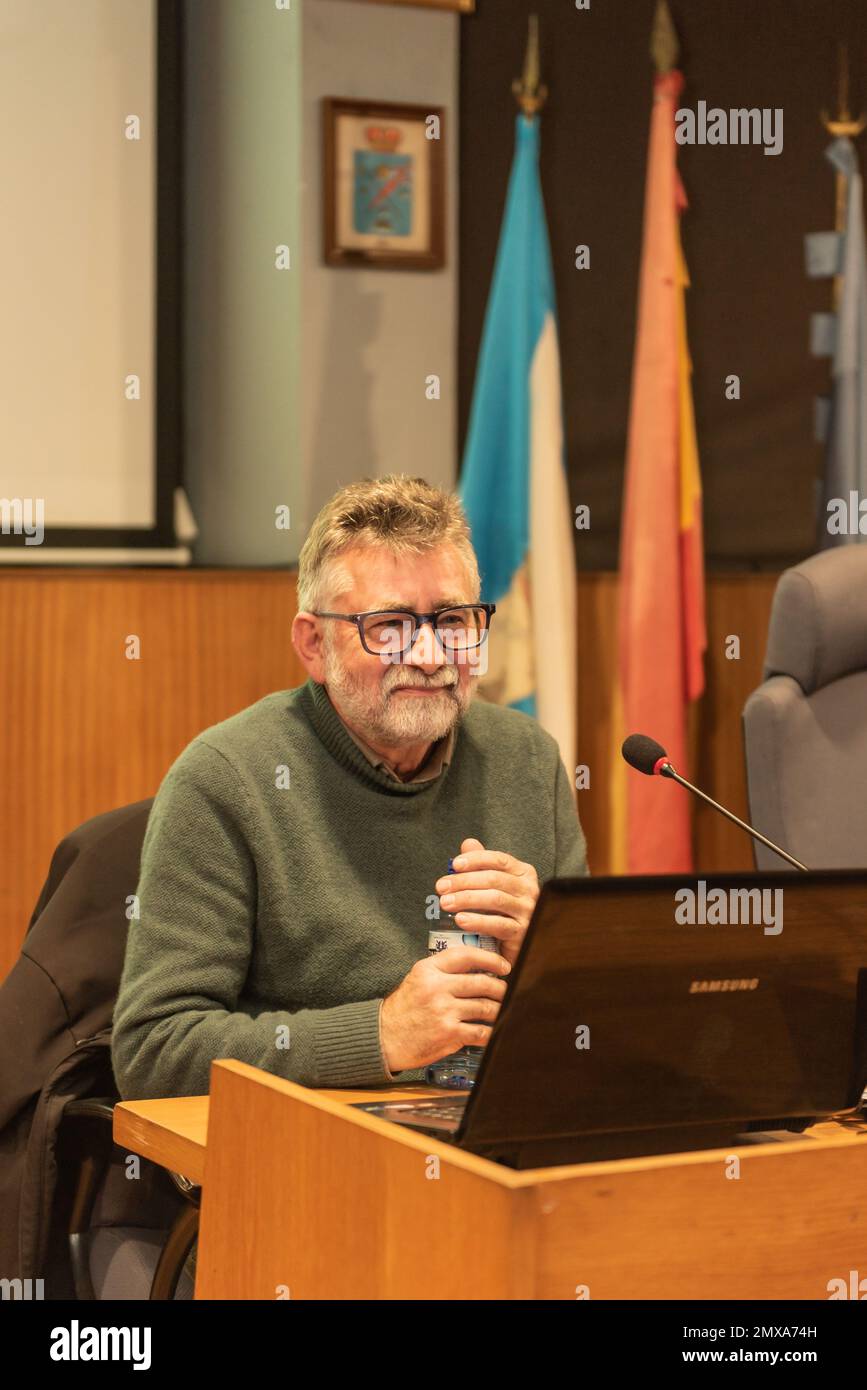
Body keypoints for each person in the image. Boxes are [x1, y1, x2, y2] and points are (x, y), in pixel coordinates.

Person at [111, 475, 588, 1099]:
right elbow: (153, 1051)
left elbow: (593, 1025)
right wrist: (382, 1035)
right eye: (388, 626)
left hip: (496, 1130)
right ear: (314, 644)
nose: (427, 653)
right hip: (309, 1154)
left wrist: (550, 949)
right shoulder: (227, 779)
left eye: (454, 620)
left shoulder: (527, 760)